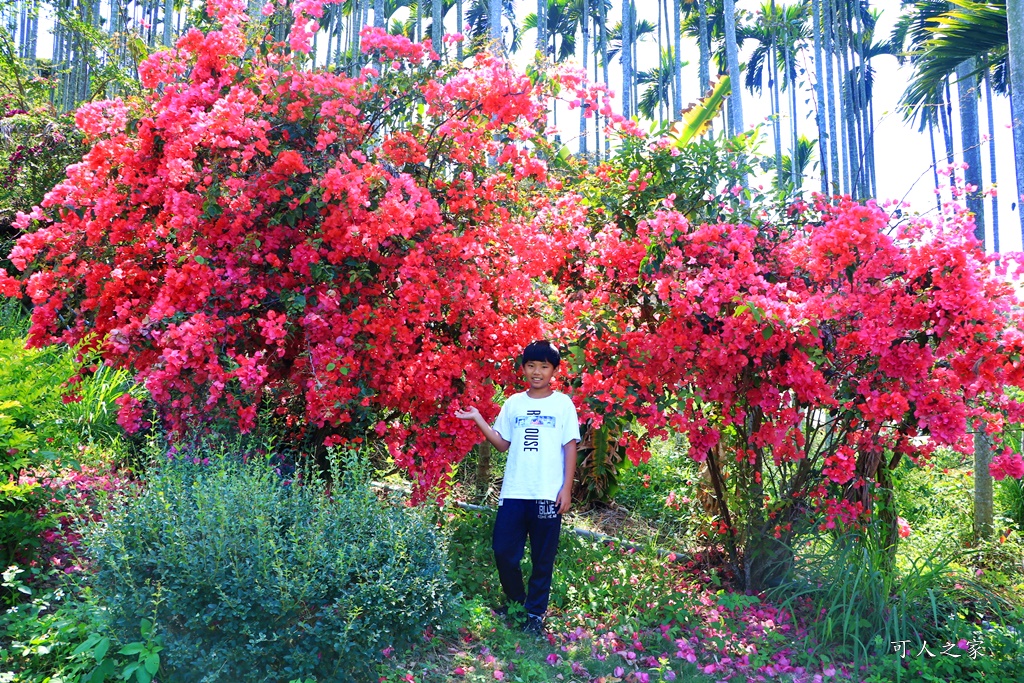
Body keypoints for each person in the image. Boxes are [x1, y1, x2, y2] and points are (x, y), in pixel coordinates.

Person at [455, 340, 581, 635]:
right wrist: (477, 419)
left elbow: (570, 447)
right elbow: (501, 444)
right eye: (531, 366)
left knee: (542, 557)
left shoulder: (562, 404)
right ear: (523, 368)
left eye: (544, 367)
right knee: (503, 551)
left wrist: (567, 489)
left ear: (553, 371)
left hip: (547, 494)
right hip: (514, 492)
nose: (537, 372)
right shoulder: (514, 403)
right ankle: (516, 602)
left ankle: (535, 615)